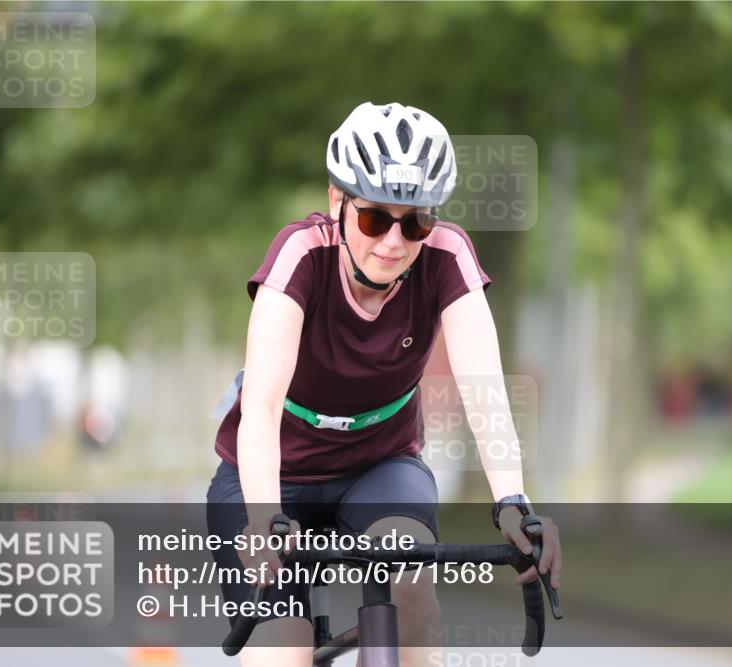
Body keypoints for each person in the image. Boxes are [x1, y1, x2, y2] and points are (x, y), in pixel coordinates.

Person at [206, 101, 562, 667]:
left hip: (379, 467)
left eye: (416, 220)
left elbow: (487, 395)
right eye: (375, 219)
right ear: (336, 201)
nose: (394, 242)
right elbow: (263, 409)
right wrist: (261, 520)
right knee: (283, 649)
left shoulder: (447, 256)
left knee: (411, 586)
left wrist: (513, 504)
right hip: (276, 473)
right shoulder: (300, 255)